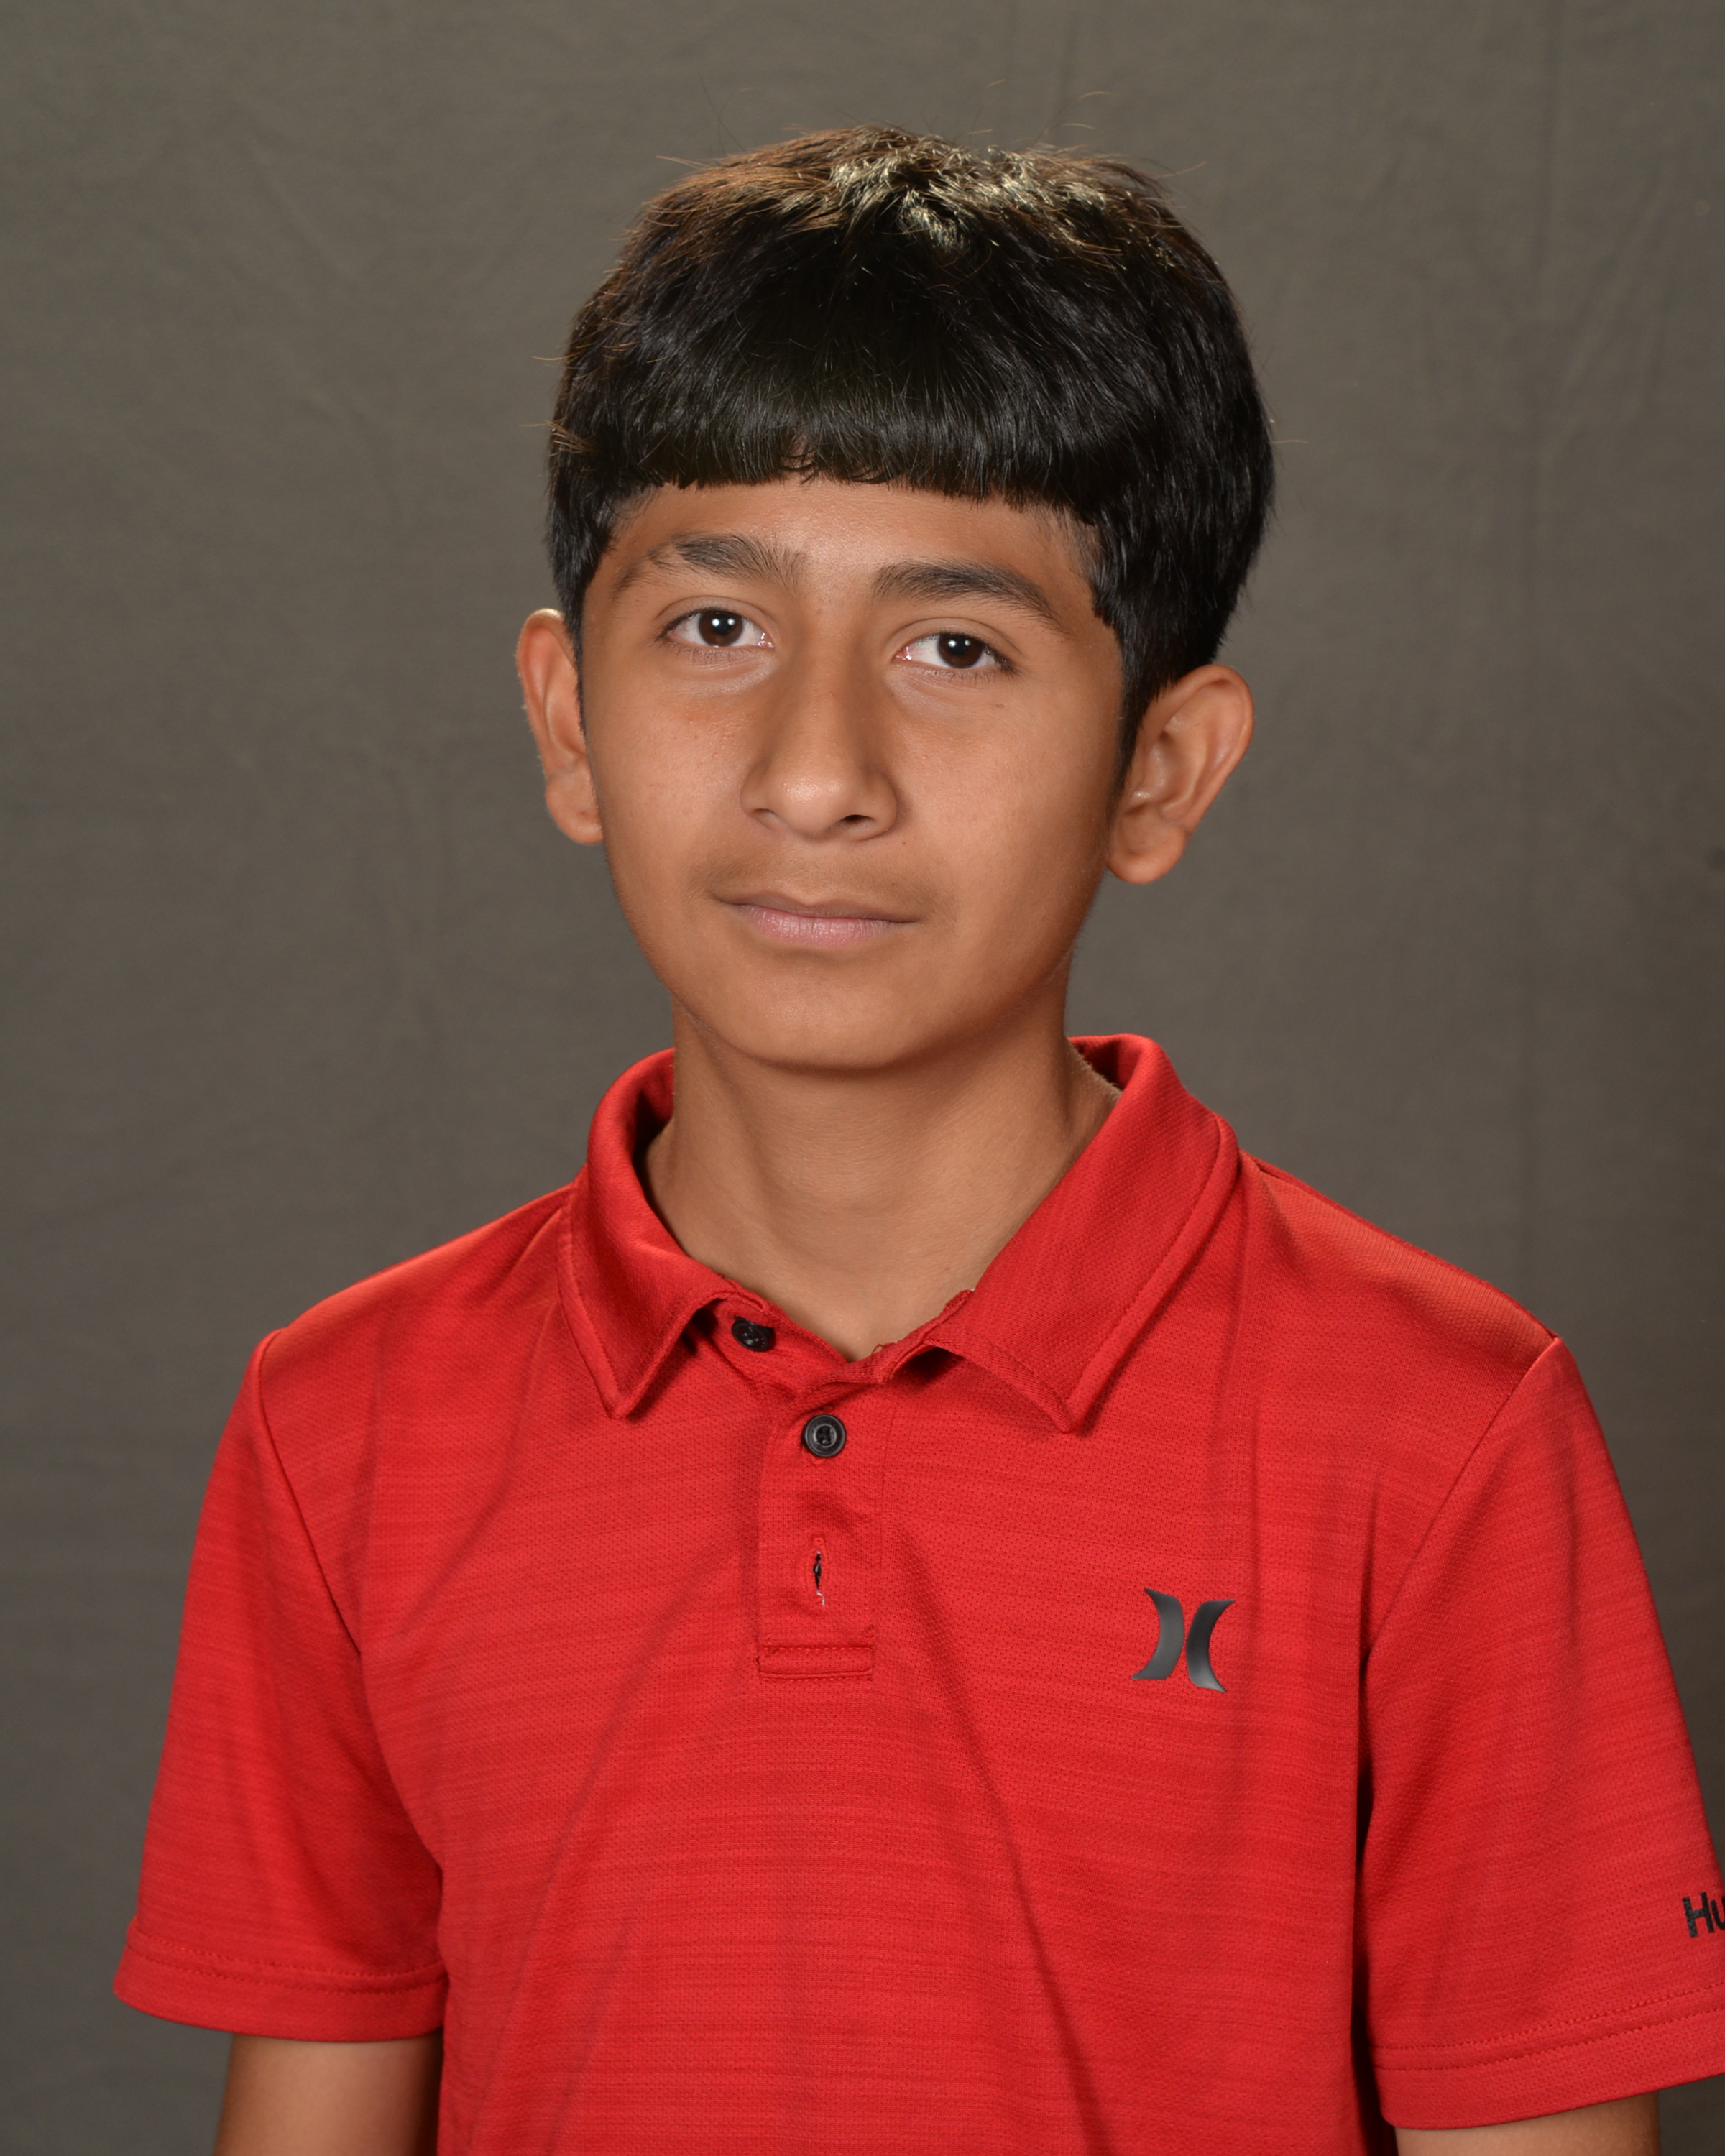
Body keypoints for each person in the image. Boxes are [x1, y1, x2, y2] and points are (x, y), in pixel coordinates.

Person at [115, 126, 1725, 2155]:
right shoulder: (343, 1428)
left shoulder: (1441, 1434)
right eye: (716, 627)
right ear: (566, 721)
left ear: (1162, 770)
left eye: (956, 647)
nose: (816, 774)